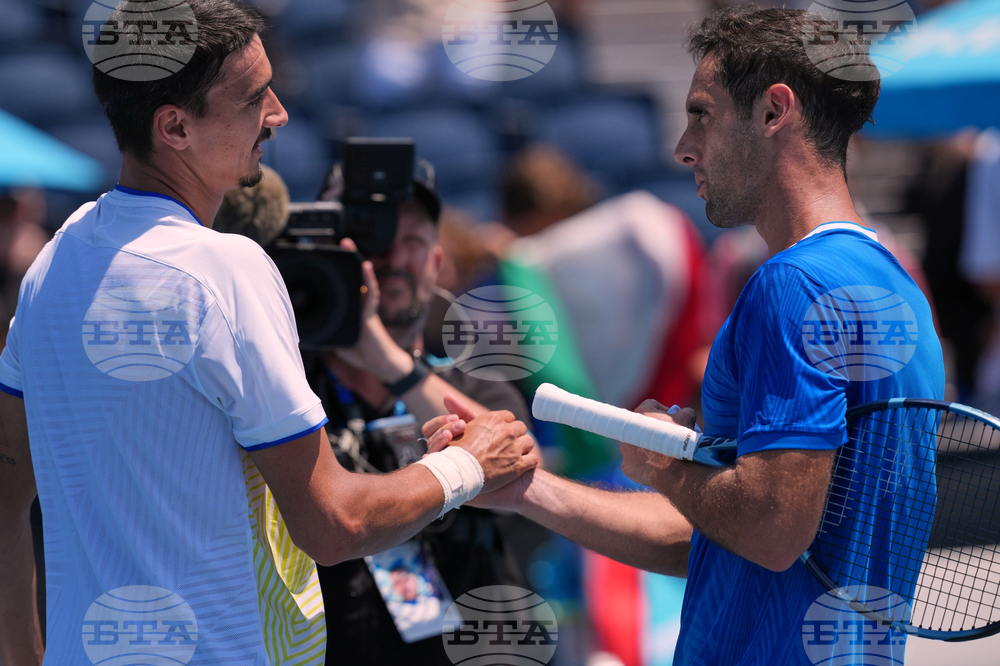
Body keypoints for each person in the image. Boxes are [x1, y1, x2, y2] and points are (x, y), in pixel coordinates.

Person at [0, 2, 536, 664]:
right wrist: (465, 466)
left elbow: (5, 496)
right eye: (254, 98)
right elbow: (335, 524)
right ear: (175, 127)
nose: (278, 115)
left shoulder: (51, 263)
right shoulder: (226, 268)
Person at [425, 7, 944, 665]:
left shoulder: (792, 286)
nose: (682, 147)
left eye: (701, 114)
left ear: (773, 111)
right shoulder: (897, 287)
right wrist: (524, 487)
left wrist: (664, 468)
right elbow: (724, 540)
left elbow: (770, 529)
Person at [312, 163, 533, 665]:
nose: (392, 257)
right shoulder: (291, 387)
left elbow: (523, 471)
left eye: (410, 240)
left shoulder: (470, 380)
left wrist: (388, 362)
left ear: (436, 261)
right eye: (371, 239)